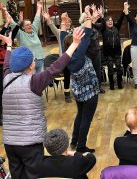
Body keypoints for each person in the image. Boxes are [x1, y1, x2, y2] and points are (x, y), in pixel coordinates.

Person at [2, 28, 84, 179]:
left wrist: (8, 46)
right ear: (31, 66)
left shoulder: (6, 78)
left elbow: (7, 64)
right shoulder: (34, 82)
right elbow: (56, 67)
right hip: (30, 143)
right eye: (33, 60)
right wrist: (74, 44)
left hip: (10, 143)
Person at [62, 9, 100, 153]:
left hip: (78, 92)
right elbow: (88, 32)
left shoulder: (67, 55)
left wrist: (65, 23)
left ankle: (74, 141)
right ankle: (81, 146)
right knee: (86, 119)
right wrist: (88, 15)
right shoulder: (78, 54)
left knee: (80, 115)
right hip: (89, 93)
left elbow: (62, 35)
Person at [44, 11, 74, 102]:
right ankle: (67, 94)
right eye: (66, 22)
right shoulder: (59, 32)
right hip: (64, 59)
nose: (67, 23)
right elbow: (52, 27)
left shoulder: (74, 31)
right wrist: (49, 19)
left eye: (69, 22)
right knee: (67, 76)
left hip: (74, 58)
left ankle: (77, 91)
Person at [9, 1, 46, 73]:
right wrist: (5, 10)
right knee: (32, 82)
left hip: (41, 60)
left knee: (41, 81)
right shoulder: (20, 33)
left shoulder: (34, 30)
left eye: (30, 24)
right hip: (30, 63)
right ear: (23, 27)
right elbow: (13, 24)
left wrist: (39, 8)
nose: (30, 26)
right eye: (27, 25)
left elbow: (37, 19)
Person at [96, 8, 125, 90]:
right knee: (110, 69)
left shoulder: (116, 27)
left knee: (119, 68)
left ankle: (119, 84)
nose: (110, 21)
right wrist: (101, 16)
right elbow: (101, 23)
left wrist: (123, 11)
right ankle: (111, 85)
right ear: (105, 23)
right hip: (108, 53)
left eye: (111, 20)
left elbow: (121, 19)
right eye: (108, 20)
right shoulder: (104, 29)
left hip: (117, 52)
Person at [79, 5, 105, 93]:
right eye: (87, 18)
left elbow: (102, 25)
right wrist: (90, 17)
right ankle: (90, 87)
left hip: (96, 51)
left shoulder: (95, 25)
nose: (89, 19)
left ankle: (98, 87)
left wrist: (101, 16)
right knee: (88, 71)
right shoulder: (82, 29)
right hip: (87, 52)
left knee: (98, 70)